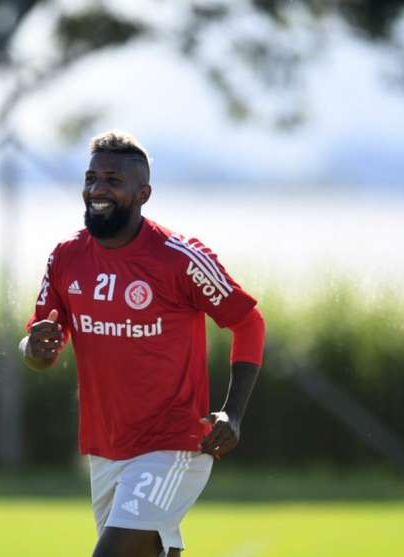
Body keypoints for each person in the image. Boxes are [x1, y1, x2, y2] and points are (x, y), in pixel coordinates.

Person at [19, 130, 265, 557]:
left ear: (143, 193)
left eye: (112, 180)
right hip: (105, 447)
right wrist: (33, 349)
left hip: (175, 444)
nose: (97, 189)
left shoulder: (179, 258)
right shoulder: (65, 258)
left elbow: (249, 323)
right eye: (91, 178)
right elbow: (40, 347)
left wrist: (234, 413)